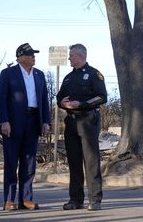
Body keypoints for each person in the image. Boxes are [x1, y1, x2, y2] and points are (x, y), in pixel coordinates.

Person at [0, 43, 50, 211]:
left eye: (34, 54)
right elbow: (1, 99)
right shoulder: (8, 74)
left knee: (29, 162)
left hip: (33, 121)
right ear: (20, 57)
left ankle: (26, 199)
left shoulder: (40, 75)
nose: (33, 57)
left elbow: (44, 100)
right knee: (12, 161)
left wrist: (46, 121)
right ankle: (9, 199)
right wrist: (3, 121)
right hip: (13, 123)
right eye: (30, 54)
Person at [57, 43, 107, 211]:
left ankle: (95, 199)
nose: (69, 58)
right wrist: (62, 103)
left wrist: (82, 104)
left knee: (91, 161)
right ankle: (75, 200)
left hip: (88, 121)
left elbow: (102, 97)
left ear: (80, 56)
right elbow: (59, 98)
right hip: (71, 122)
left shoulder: (94, 74)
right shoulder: (68, 77)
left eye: (71, 55)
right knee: (74, 161)